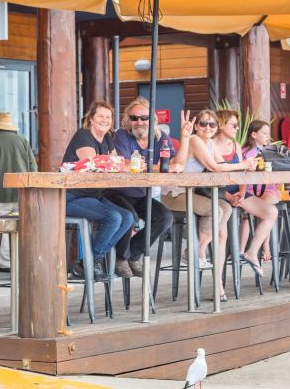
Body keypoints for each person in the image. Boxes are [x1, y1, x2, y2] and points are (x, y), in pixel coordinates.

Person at [161, 109, 257, 302]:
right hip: (175, 193)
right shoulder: (195, 140)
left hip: (191, 193)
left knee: (227, 208)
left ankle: (195, 249)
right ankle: (198, 251)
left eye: (212, 124)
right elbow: (214, 167)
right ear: (196, 126)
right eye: (203, 124)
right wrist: (243, 164)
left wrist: (241, 170)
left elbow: (220, 163)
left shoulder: (210, 143)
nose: (207, 127)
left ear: (216, 128)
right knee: (214, 209)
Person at [105, 98, 193, 278]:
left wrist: (185, 137)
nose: (139, 122)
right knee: (130, 216)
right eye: (134, 118)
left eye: (144, 118)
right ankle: (121, 257)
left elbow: (179, 163)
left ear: (153, 120)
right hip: (116, 192)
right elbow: (128, 164)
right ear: (128, 120)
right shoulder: (122, 135)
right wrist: (161, 166)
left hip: (139, 194)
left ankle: (132, 254)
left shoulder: (161, 138)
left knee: (164, 218)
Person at [62, 101, 134, 282]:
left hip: (93, 194)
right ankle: (92, 261)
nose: (105, 120)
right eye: (100, 116)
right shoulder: (83, 135)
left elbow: (116, 163)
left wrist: (122, 163)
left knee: (127, 218)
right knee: (114, 217)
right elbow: (94, 164)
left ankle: (89, 260)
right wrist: (116, 163)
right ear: (91, 119)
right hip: (71, 196)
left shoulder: (107, 138)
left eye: (108, 117)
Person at [213, 113, 277, 276]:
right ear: (221, 125)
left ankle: (251, 251)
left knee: (271, 212)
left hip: (236, 192)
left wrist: (241, 192)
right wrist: (230, 196)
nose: (237, 128)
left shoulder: (235, 146)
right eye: (234, 125)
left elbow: (242, 173)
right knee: (223, 229)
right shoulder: (210, 145)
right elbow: (213, 175)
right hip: (217, 193)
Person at [0, 111, 37, 273]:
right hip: (21, 193)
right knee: (19, 226)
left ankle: (3, 261)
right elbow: (33, 168)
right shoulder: (23, 142)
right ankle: (17, 259)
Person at [238, 119, 280, 266]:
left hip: (268, 188)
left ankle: (265, 246)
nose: (267, 136)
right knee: (250, 211)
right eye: (264, 133)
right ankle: (241, 250)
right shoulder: (244, 152)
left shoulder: (271, 151)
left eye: (268, 133)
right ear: (254, 134)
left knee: (265, 205)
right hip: (249, 189)